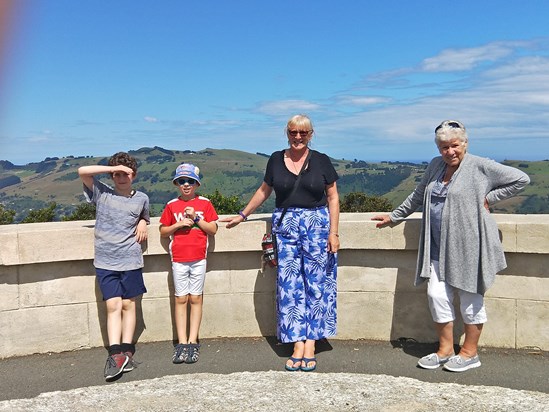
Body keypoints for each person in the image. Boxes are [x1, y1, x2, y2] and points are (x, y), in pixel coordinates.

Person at [372, 120, 530, 372]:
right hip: (436, 247)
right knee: (436, 296)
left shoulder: (480, 166)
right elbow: (419, 194)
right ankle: (445, 350)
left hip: (470, 246)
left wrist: (488, 198)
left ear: (465, 143)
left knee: (470, 299)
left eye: (454, 145)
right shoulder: (436, 166)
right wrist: (394, 216)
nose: (450, 152)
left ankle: (469, 352)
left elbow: (521, 179)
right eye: (444, 147)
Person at [222, 114, 340, 372]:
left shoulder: (321, 160)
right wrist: (243, 214)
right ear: (287, 133)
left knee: (317, 284)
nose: (298, 137)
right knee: (290, 286)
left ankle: (311, 341)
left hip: (317, 227)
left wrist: (334, 232)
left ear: (311, 134)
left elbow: (332, 197)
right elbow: (265, 190)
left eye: (303, 133)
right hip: (285, 228)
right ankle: (296, 341)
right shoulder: (275, 159)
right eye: (293, 132)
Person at [78, 152, 150, 381]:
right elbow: (82, 172)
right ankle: (115, 351)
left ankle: (127, 350)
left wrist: (142, 222)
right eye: (117, 174)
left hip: (130, 259)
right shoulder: (102, 193)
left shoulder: (142, 198)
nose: (121, 178)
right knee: (113, 306)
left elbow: (145, 216)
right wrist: (111, 169)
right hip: (105, 261)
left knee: (129, 305)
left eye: (125, 174)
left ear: (134, 176)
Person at [159, 163, 218, 364]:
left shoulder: (205, 203)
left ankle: (193, 341)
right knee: (180, 299)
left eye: (190, 181)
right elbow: (163, 230)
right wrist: (178, 224)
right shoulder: (171, 205)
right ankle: (182, 342)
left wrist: (195, 219)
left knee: (196, 298)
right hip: (178, 258)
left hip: (199, 257)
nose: (186, 185)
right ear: (177, 184)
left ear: (197, 184)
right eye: (182, 181)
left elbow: (212, 228)